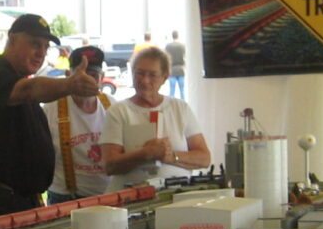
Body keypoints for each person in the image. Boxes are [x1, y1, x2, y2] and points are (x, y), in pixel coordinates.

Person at [0, 13, 98, 221]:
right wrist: (70, 85)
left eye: (45, 47)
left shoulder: (18, 81)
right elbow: (30, 89)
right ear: (13, 40)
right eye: (35, 44)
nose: (41, 53)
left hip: (19, 201)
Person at [100, 45, 211, 190]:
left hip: (177, 195)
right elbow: (109, 165)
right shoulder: (118, 112)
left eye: (152, 75)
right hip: (132, 197)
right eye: (140, 73)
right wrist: (145, 154)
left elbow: (204, 158)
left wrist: (171, 156)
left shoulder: (180, 108)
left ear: (164, 78)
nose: (145, 80)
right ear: (132, 73)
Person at [44, 45, 113, 205]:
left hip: (109, 195)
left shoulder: (114, 107)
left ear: (102, 78)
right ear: (68, 75)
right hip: (64, 198)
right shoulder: (51, 109)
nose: (88, 81)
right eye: (82, 75)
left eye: (93, 75)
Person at [165, 30, 188, 99]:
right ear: (178, 36)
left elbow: (165, 58)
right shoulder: (182, 46)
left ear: (172, 36)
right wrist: (185, 67)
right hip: (180, 69)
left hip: (171, 70)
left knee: (172, 91)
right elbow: (185, 57)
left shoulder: (168, 46)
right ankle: (183, 104)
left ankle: (170, 105)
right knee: (182, 90)